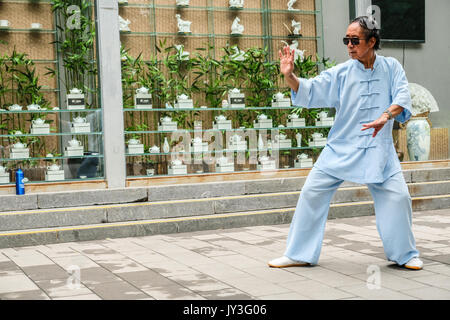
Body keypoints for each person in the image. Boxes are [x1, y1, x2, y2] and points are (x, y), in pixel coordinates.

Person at [269, 16, 423, 270]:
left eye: (355, 40)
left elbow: (402, 96)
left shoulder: (392, 67)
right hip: (340, 148)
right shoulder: (341, 72)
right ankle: (299, 253)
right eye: (346, 40)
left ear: (372, 41)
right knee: (311, 193)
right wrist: (290, 75)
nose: (349, 45)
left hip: (379, 150)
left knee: (398, 198)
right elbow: (310, 90)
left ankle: (405, 255)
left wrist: (385, 116)